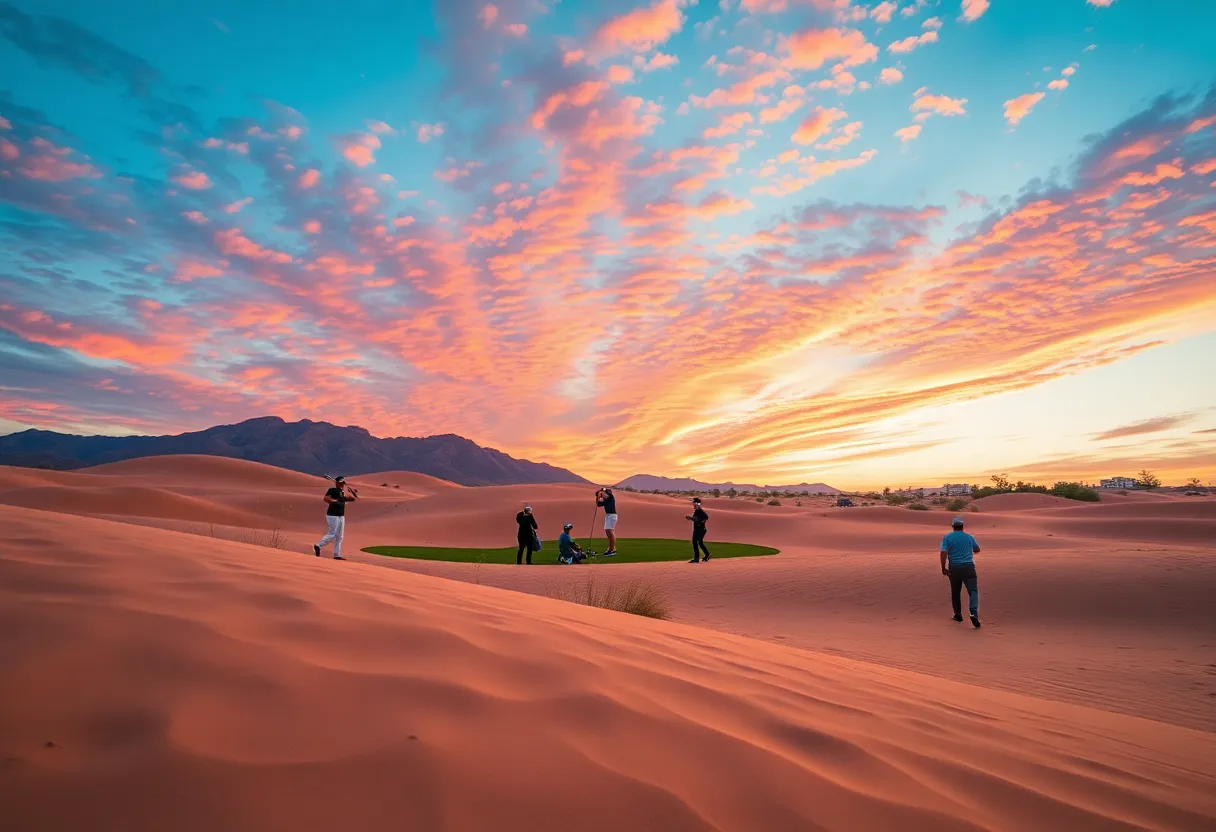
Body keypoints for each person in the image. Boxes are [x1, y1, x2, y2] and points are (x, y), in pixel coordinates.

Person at [940, 516, 981, 628]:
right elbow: (977, 549)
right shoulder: (969, 537)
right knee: (973, 591)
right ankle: (973, 613)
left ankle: (958, 615)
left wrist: (943, 568)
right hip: (969, 567)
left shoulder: (947, 537)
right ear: (962, 526)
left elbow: (943, 552)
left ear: (953, 526)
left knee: (955, 592)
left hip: (954, 568)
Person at [314, 476, 357, 560]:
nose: (342, 484)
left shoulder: (342, 492)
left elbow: (351, 499)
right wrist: (335, 501)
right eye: (341, 483)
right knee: (332, 534)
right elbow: (326, 498)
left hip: (341, 515)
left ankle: (337, 555)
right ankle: (318, 545)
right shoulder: (332, 490)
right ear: (337, 483)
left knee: (340, 536)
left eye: (343, 483)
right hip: (332, 515)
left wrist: (352, 492)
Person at [687, 497, 711, 563]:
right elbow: (695, 519)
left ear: (697, 503)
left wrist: (700, 522)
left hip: (700, 530)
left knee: (695, 542)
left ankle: (696, 558)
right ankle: (707, 555)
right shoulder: (696, 511)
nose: (693, 504)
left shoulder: (700, 511)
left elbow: (706, 517)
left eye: (694, 503)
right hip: (697, 529)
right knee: (699, 543)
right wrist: (691, 518)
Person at [596, 487, 618, 556]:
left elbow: (607, 494)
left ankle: (611, 550)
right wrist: (598, 497)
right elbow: (598, 504)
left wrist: (602, 493)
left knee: (609, 532)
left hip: (612, 515)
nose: (603, 494)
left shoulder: (610, 497)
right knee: (608, 532)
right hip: (608, 516)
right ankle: (612, 549)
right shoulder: (605, 500)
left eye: (603, 493)